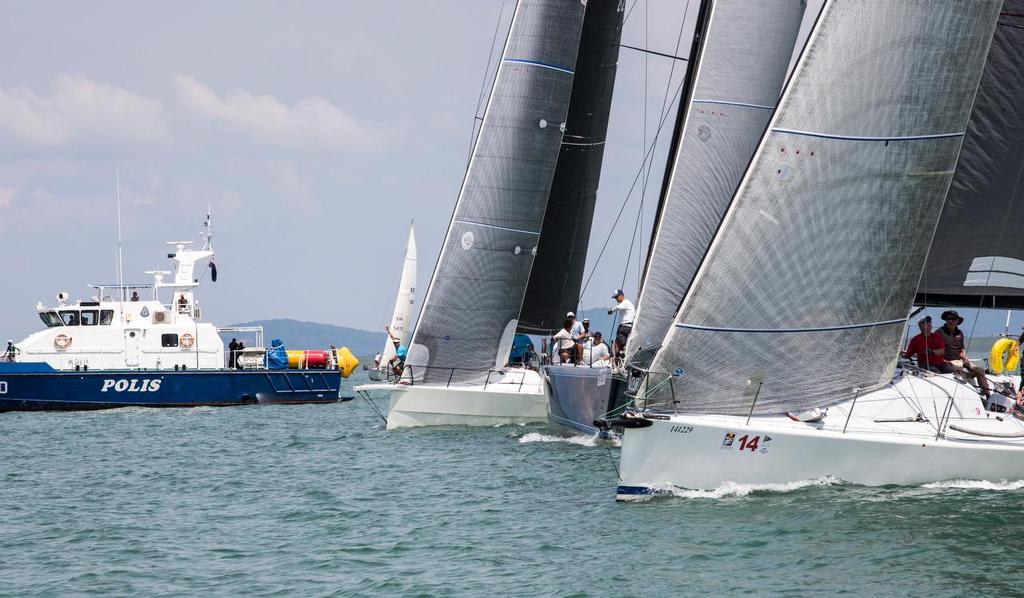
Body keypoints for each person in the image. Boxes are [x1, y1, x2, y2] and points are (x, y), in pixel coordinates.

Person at [937, 310, 991, 398]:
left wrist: (965, 359)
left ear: (957, 321)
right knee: (955, 369)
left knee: (980, 370)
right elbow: (936, 351)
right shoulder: (939, 332)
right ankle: (967, 376)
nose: (950, 321)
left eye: (953, 319)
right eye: (948, 319)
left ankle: (988, 395)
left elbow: (961, 349)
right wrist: (944, 361)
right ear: (946, 320)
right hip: (946, 361)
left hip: (959, 360)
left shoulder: (960, 333)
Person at [607, 289, 635, 360]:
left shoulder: (625, 302)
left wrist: (611, 310)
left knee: (617, 344)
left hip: (624, 327)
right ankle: (622, 355)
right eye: (615, 298)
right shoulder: (628, 303)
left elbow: (618, 307)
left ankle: (620, 356)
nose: (616, 299)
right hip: (630, 327)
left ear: (621, 295)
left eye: (616, 297)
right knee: (622, 345)